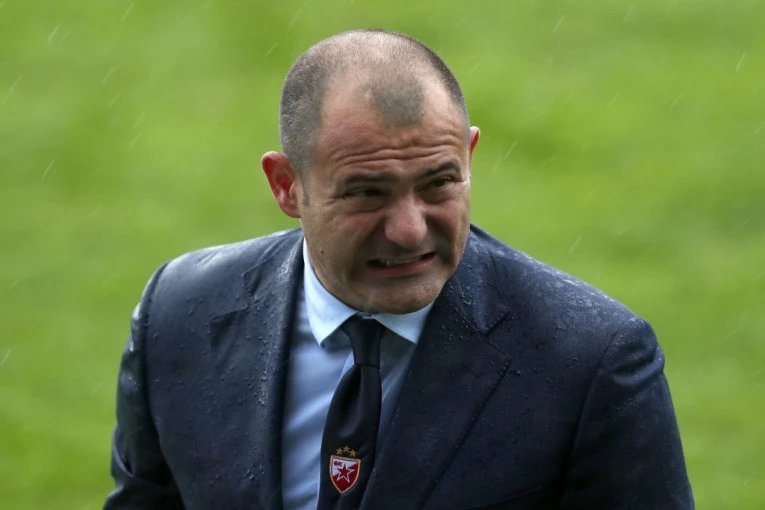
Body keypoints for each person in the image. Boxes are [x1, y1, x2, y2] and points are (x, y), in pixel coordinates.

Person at [104, 29, 694, 509]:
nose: (409, 230)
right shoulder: (178, 314)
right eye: (367, 193)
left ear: (468, 156)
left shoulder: (592, 362)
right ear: (286, 185)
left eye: (438, 183)